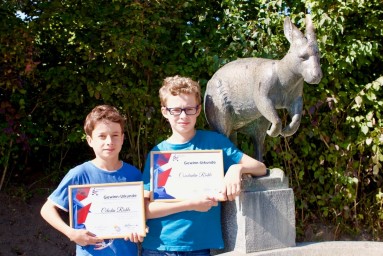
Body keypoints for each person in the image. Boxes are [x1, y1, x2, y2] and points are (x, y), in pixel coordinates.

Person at [141, 75, 267, 256]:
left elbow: (260, 167)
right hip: (159, 246)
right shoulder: (158, 154)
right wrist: (190, 204)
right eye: (176, 110)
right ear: (165, 112)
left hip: (199, 248)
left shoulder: (214, 143)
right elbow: (146, 210)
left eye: (189, 109)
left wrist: (236, 168)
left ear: (198, 110)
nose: (183, 115)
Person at [41, 105, 145, 256]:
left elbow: (142, 215)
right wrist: (71, 233)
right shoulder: (79, 174)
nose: (109, 141)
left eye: (115, 135)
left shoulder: (134, 175)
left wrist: (141, 229)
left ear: (122, 139)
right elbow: (47, 209)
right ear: (90, 140)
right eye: (102, 136)